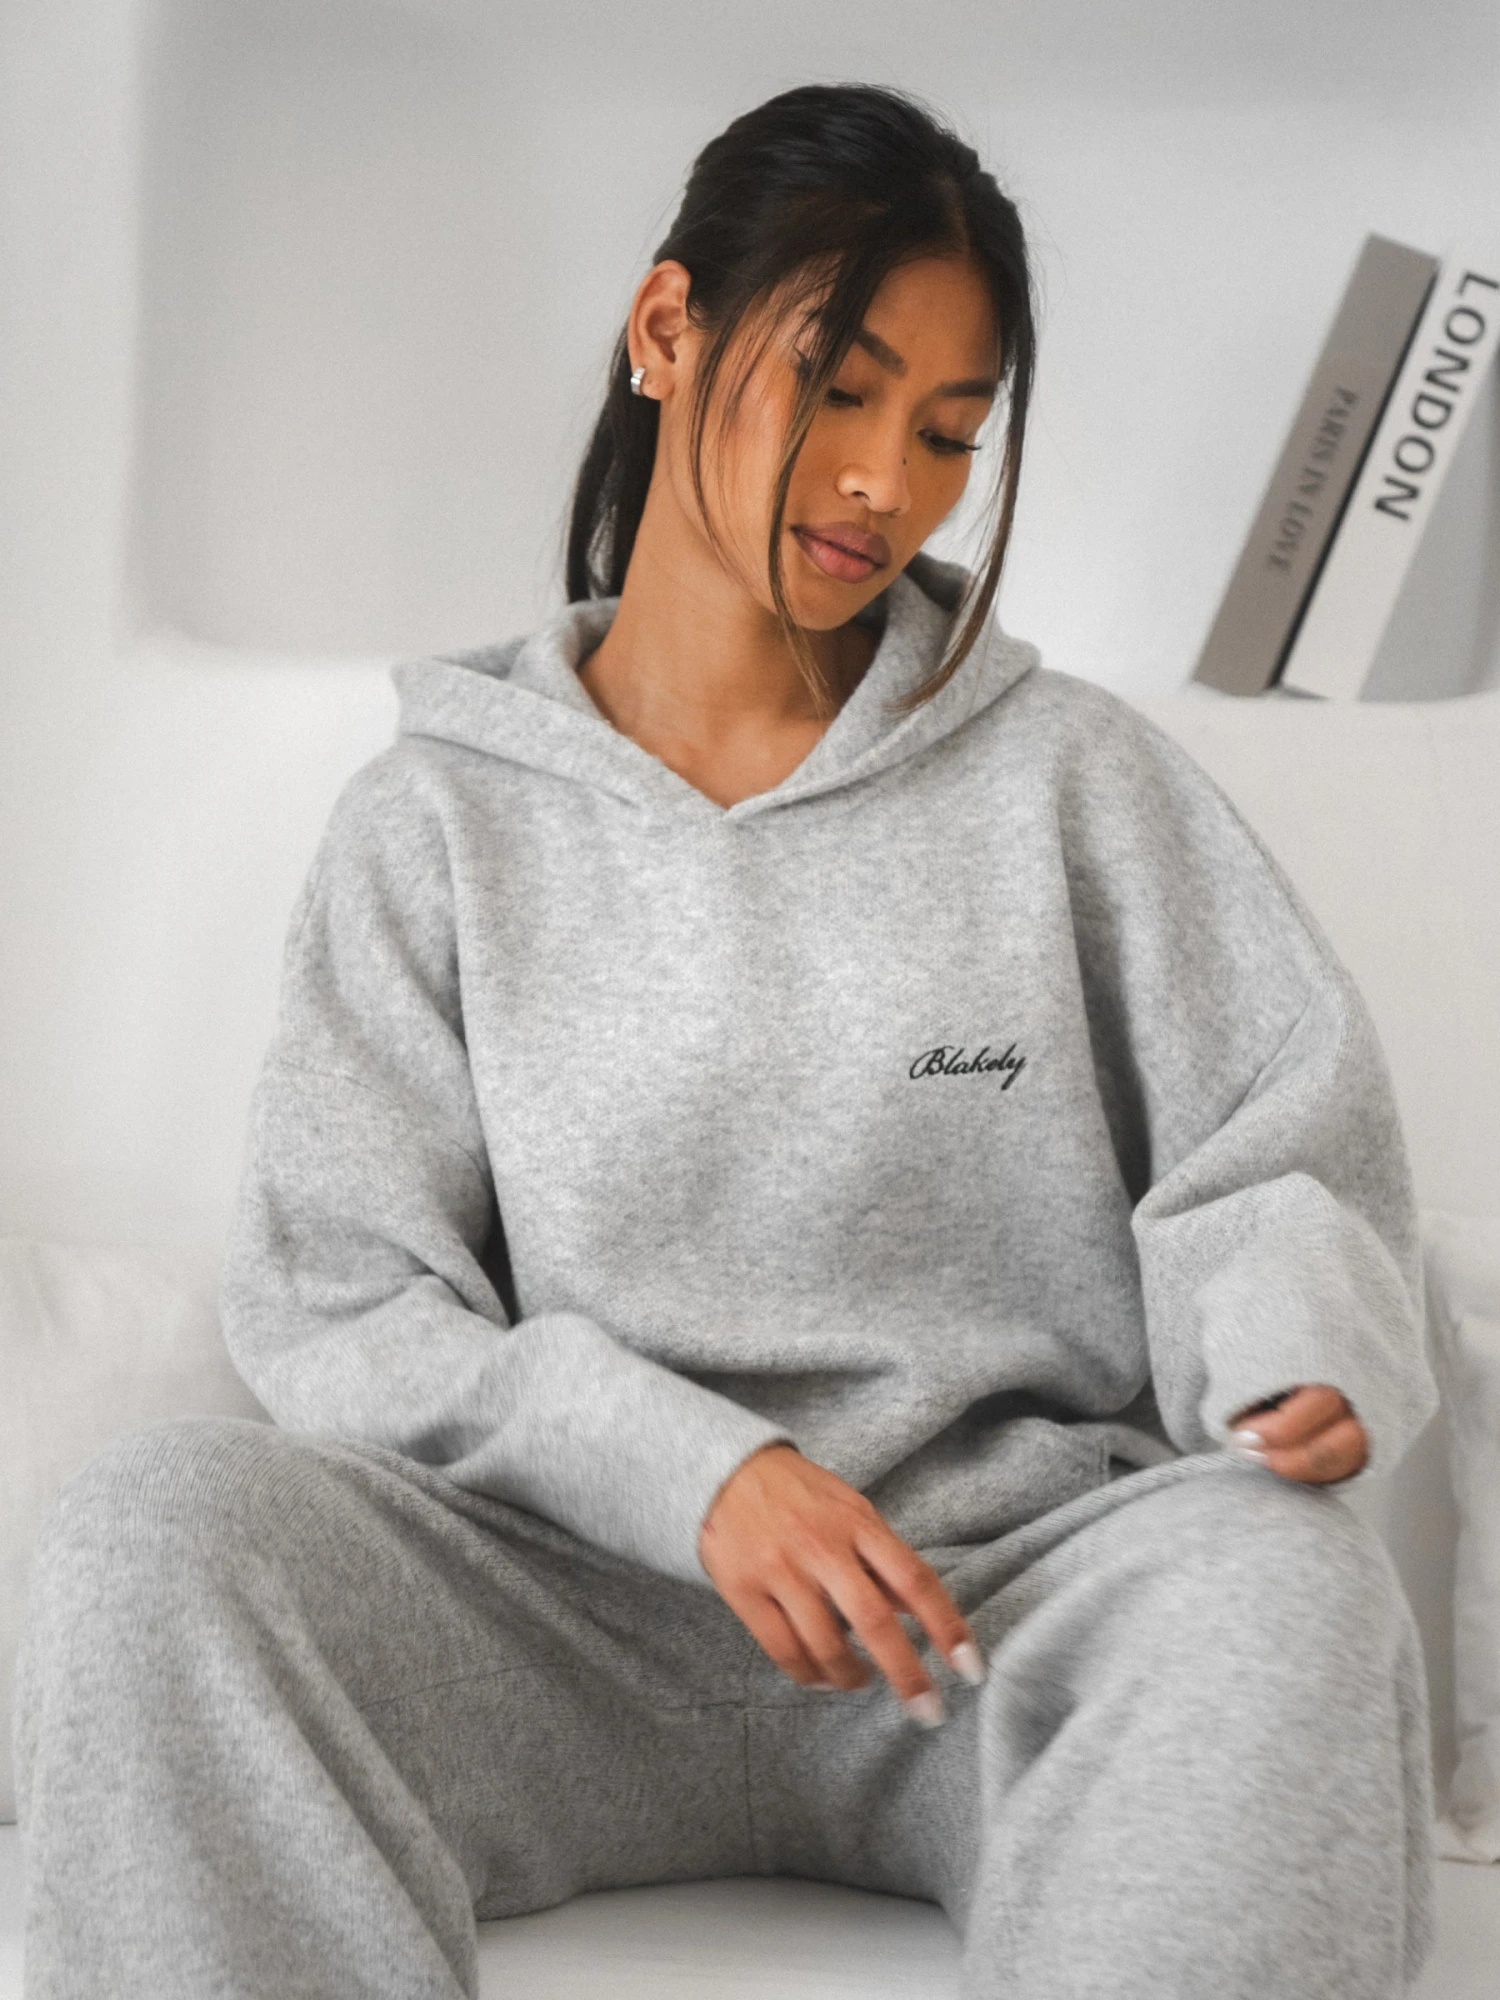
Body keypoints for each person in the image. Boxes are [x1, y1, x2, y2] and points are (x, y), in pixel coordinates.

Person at [15, 81, 1440, 2000]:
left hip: (992, 1607)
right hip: (557, 1614)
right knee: (151, 1530)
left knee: (1291, 1588)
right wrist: (687, 1469)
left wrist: (1293, 1349)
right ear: (667, 329)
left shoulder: (1076, 785)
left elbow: (1273, 1142)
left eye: (949, 432)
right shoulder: (438, 821)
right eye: (841, 390)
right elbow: (345, 1299)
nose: (886, 484)